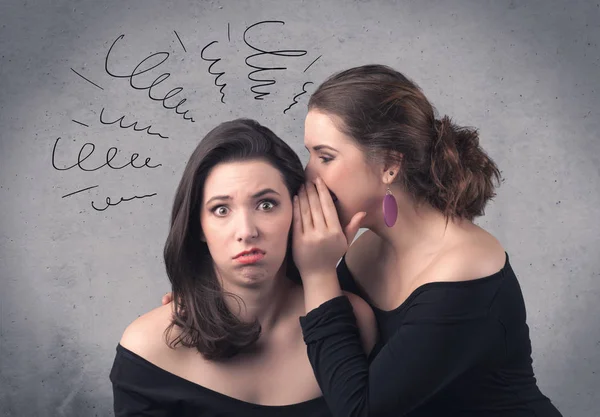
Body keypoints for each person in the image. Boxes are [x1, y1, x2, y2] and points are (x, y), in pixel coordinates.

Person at [291, 64, 564, 416]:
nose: (308, 174)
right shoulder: (365, 246)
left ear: (390, 164)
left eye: (325, 157)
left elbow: (360, 410)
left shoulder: (462, 268)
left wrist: (317, 274)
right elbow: (332, 358)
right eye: (309, 154)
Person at [110, 118, 377, 417]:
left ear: (298, 211)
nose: (246, 231)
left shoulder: (355, 322)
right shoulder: (149, 346)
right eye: (221, 209)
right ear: (199, 226)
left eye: (266, 205)